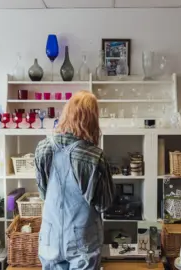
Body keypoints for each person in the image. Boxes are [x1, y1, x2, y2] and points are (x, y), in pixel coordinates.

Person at [35, 90, 114, 270]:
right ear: (92, 119)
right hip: (82, 239)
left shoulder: (42, 148)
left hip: (50, 237)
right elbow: (104, 204)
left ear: (67, 113)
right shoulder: (95, 156)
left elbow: (43, 193)